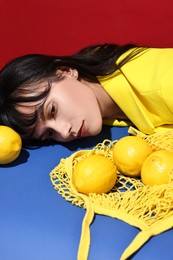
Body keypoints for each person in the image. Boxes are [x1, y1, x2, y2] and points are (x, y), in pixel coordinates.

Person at [0, 43, 173, 143]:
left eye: (52, 110)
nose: (64, 132)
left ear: (66, 71)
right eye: (49, 134)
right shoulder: (96, 77)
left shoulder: (164, 85)